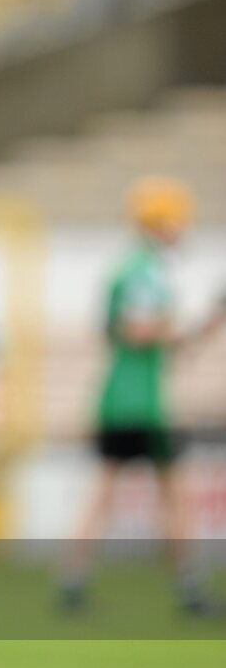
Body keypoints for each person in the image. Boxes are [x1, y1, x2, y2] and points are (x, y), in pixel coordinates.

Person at [61, 176, 226, 613]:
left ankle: (72, 581)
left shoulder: (135, 267)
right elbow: (138, 330)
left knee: (106, 494)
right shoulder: (143, 269)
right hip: (140, 404)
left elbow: (158, 341)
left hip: (124, 397)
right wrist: (183, 324)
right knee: (171, 494)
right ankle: (189, 588)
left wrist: (207, 323)